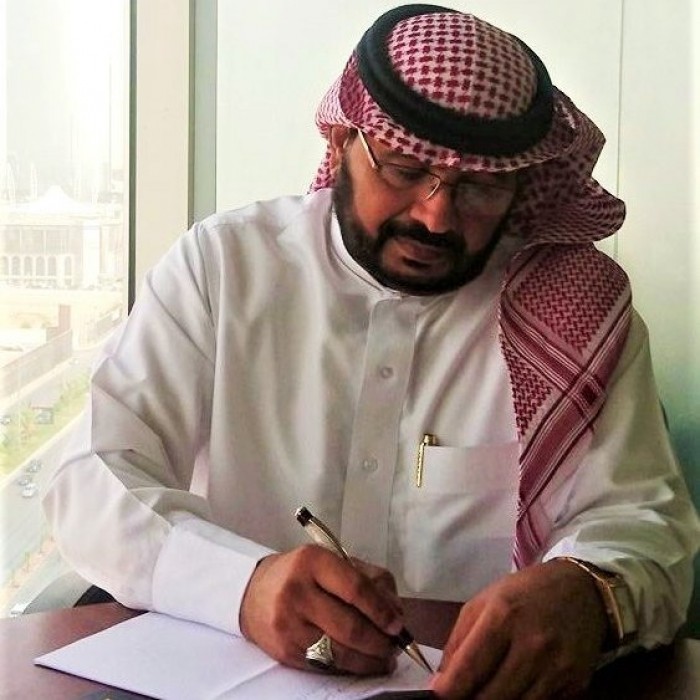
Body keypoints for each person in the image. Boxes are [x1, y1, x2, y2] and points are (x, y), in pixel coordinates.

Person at [45, 4, 699, 698]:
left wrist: (590, 592)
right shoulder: (226, 266)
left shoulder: (577, 318)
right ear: (345, 137)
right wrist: (243, 585)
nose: (436, 216)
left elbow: (644, 525)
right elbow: (93, 478)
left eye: (480, 187)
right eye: (405, 168)